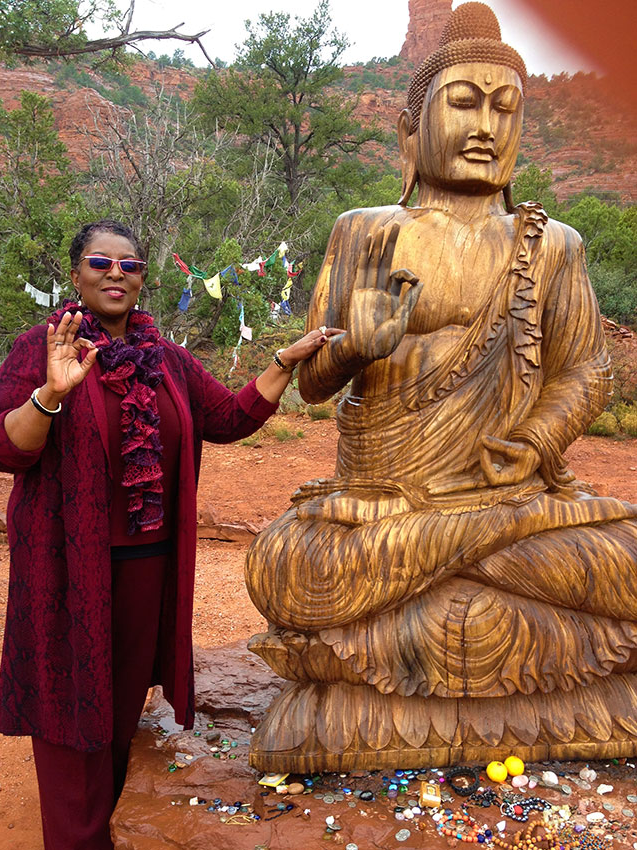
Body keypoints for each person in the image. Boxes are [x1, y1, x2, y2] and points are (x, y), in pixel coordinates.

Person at [245, 2, 637, 771]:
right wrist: (353, 348)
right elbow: (315, 385)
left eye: (504, 107)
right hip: (386, 504)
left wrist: (534, 442)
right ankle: (481, 579)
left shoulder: (554, 245)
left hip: (507, 498)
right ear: (410, 127)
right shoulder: (366, 230)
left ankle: (428, 590)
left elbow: (586, 369)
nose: (485, 125)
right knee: (285, 564)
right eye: (463, 102)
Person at [0, 218, 340, 850]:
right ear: (77, 273)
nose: (117, 274)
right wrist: (51, 395)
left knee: (115, 711)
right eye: (100, 262)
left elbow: (226, 418)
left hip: (146, 567)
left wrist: (284, 363)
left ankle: (111, 834)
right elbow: (2, 447)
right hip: (65, 564)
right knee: (68, 711)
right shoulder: (42, 346)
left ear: (144, 279)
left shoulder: (164, 359)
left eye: (131, 265)